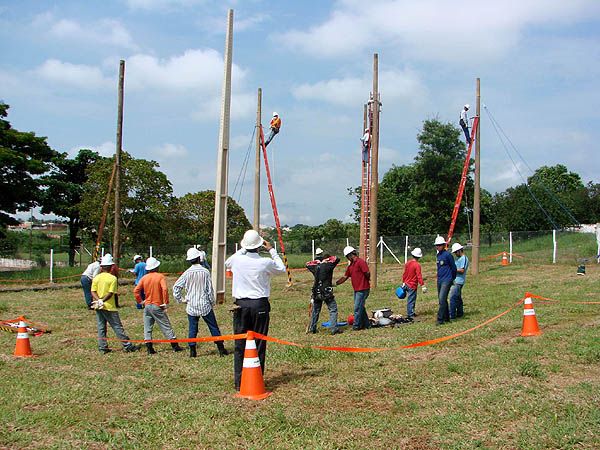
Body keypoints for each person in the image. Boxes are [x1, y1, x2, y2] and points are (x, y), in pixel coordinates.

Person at [225, 229, 286, 391]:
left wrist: (244, 248)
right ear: (260, 245)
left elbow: (227, 262)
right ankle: (256, 378)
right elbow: (281, 268)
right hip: (259, 305)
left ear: (244, 245)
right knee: (259, 343)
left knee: (240, 343)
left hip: (241, 305)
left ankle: (239, 382)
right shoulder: (265, 262)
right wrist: (271, 250)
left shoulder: (237, 260)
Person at [173, 247, 228, 358]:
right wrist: (212, 302)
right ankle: (221, 349)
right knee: (213, 327)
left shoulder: (187, 273)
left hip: (192, 305)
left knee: (193, 328)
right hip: (204, 305)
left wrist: (181, 299)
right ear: (199, 258)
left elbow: (176, 287)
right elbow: (209, 290)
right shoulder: (205, 271)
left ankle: (193, 351)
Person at [91, 254, 140, 354]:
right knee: (117, 327)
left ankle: (102, 347)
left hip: (98, 306)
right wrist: (103, 301)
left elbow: (93, 291)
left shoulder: (96, 277)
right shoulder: (112, 278)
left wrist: (99, 300)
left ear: (102, 266)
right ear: (110, 266)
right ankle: (127, 345)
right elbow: (111, 293)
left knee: (101, 327)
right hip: (109, 307)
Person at [134, 257, 183, 355]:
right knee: (166, 325)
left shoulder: (144, 278)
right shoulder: (160, 277)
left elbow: (136, 291)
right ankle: (175, 346)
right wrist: (165, 302)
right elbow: (164, 289)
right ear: (156, 267)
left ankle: (149, 348)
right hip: (157, 305)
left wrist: (141, 301)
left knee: (147, 327)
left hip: (147, 306)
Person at [306, 249, 342, 335]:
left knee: (316, 310)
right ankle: (334, 329)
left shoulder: (315, 266)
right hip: (326, 292)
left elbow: (307, 264)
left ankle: (312, 328)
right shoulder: (329, 265)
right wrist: (327, 260)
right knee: (333, 309)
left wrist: (318, 261)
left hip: (316, 291)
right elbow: (337, 258)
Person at [336, 246, 371, 331]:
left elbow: (367, 272)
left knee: (357, 308)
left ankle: (356, 326)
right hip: (357, 289)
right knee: (360, 307)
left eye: (347, 257)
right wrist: (335, 283)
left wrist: (365, 280)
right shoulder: (351, 266)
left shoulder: (360, 262)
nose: (347, 259)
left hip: (363, 289)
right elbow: (345, 277)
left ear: (350, 255)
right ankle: (366, 324)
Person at [434, 236, 457, 325]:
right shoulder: (438, 255)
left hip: (447, 280)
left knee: (442, 299)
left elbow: (453, 268)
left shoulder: (448, 255)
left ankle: (440, 319)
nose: (438, 247)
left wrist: (452, 278)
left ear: (443, 245)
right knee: (442, 300)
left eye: (439, 245)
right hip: (439, 280)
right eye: (436, 245)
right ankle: (447, 318)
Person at [401, 247, 427, 319]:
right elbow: (419, 276)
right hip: (412, 285)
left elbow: (404, 274)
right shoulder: (417, 265)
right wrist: (423, 285)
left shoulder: (408, 263)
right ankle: (410, 314)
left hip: (406, 283)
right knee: (411, 300)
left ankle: (411, 312)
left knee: (410, 299)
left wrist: (403, 282)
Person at [449, 242, 469, 319]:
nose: (455, 254)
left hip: (458, 281)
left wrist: (453, 269)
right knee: (458, 298)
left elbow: (462, 270)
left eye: (455, 252)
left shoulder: (464, 258)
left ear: (459, 251)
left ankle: (452, 315)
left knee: (453, 298)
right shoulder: (458, 259)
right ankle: (460, 313)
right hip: (455, 280)